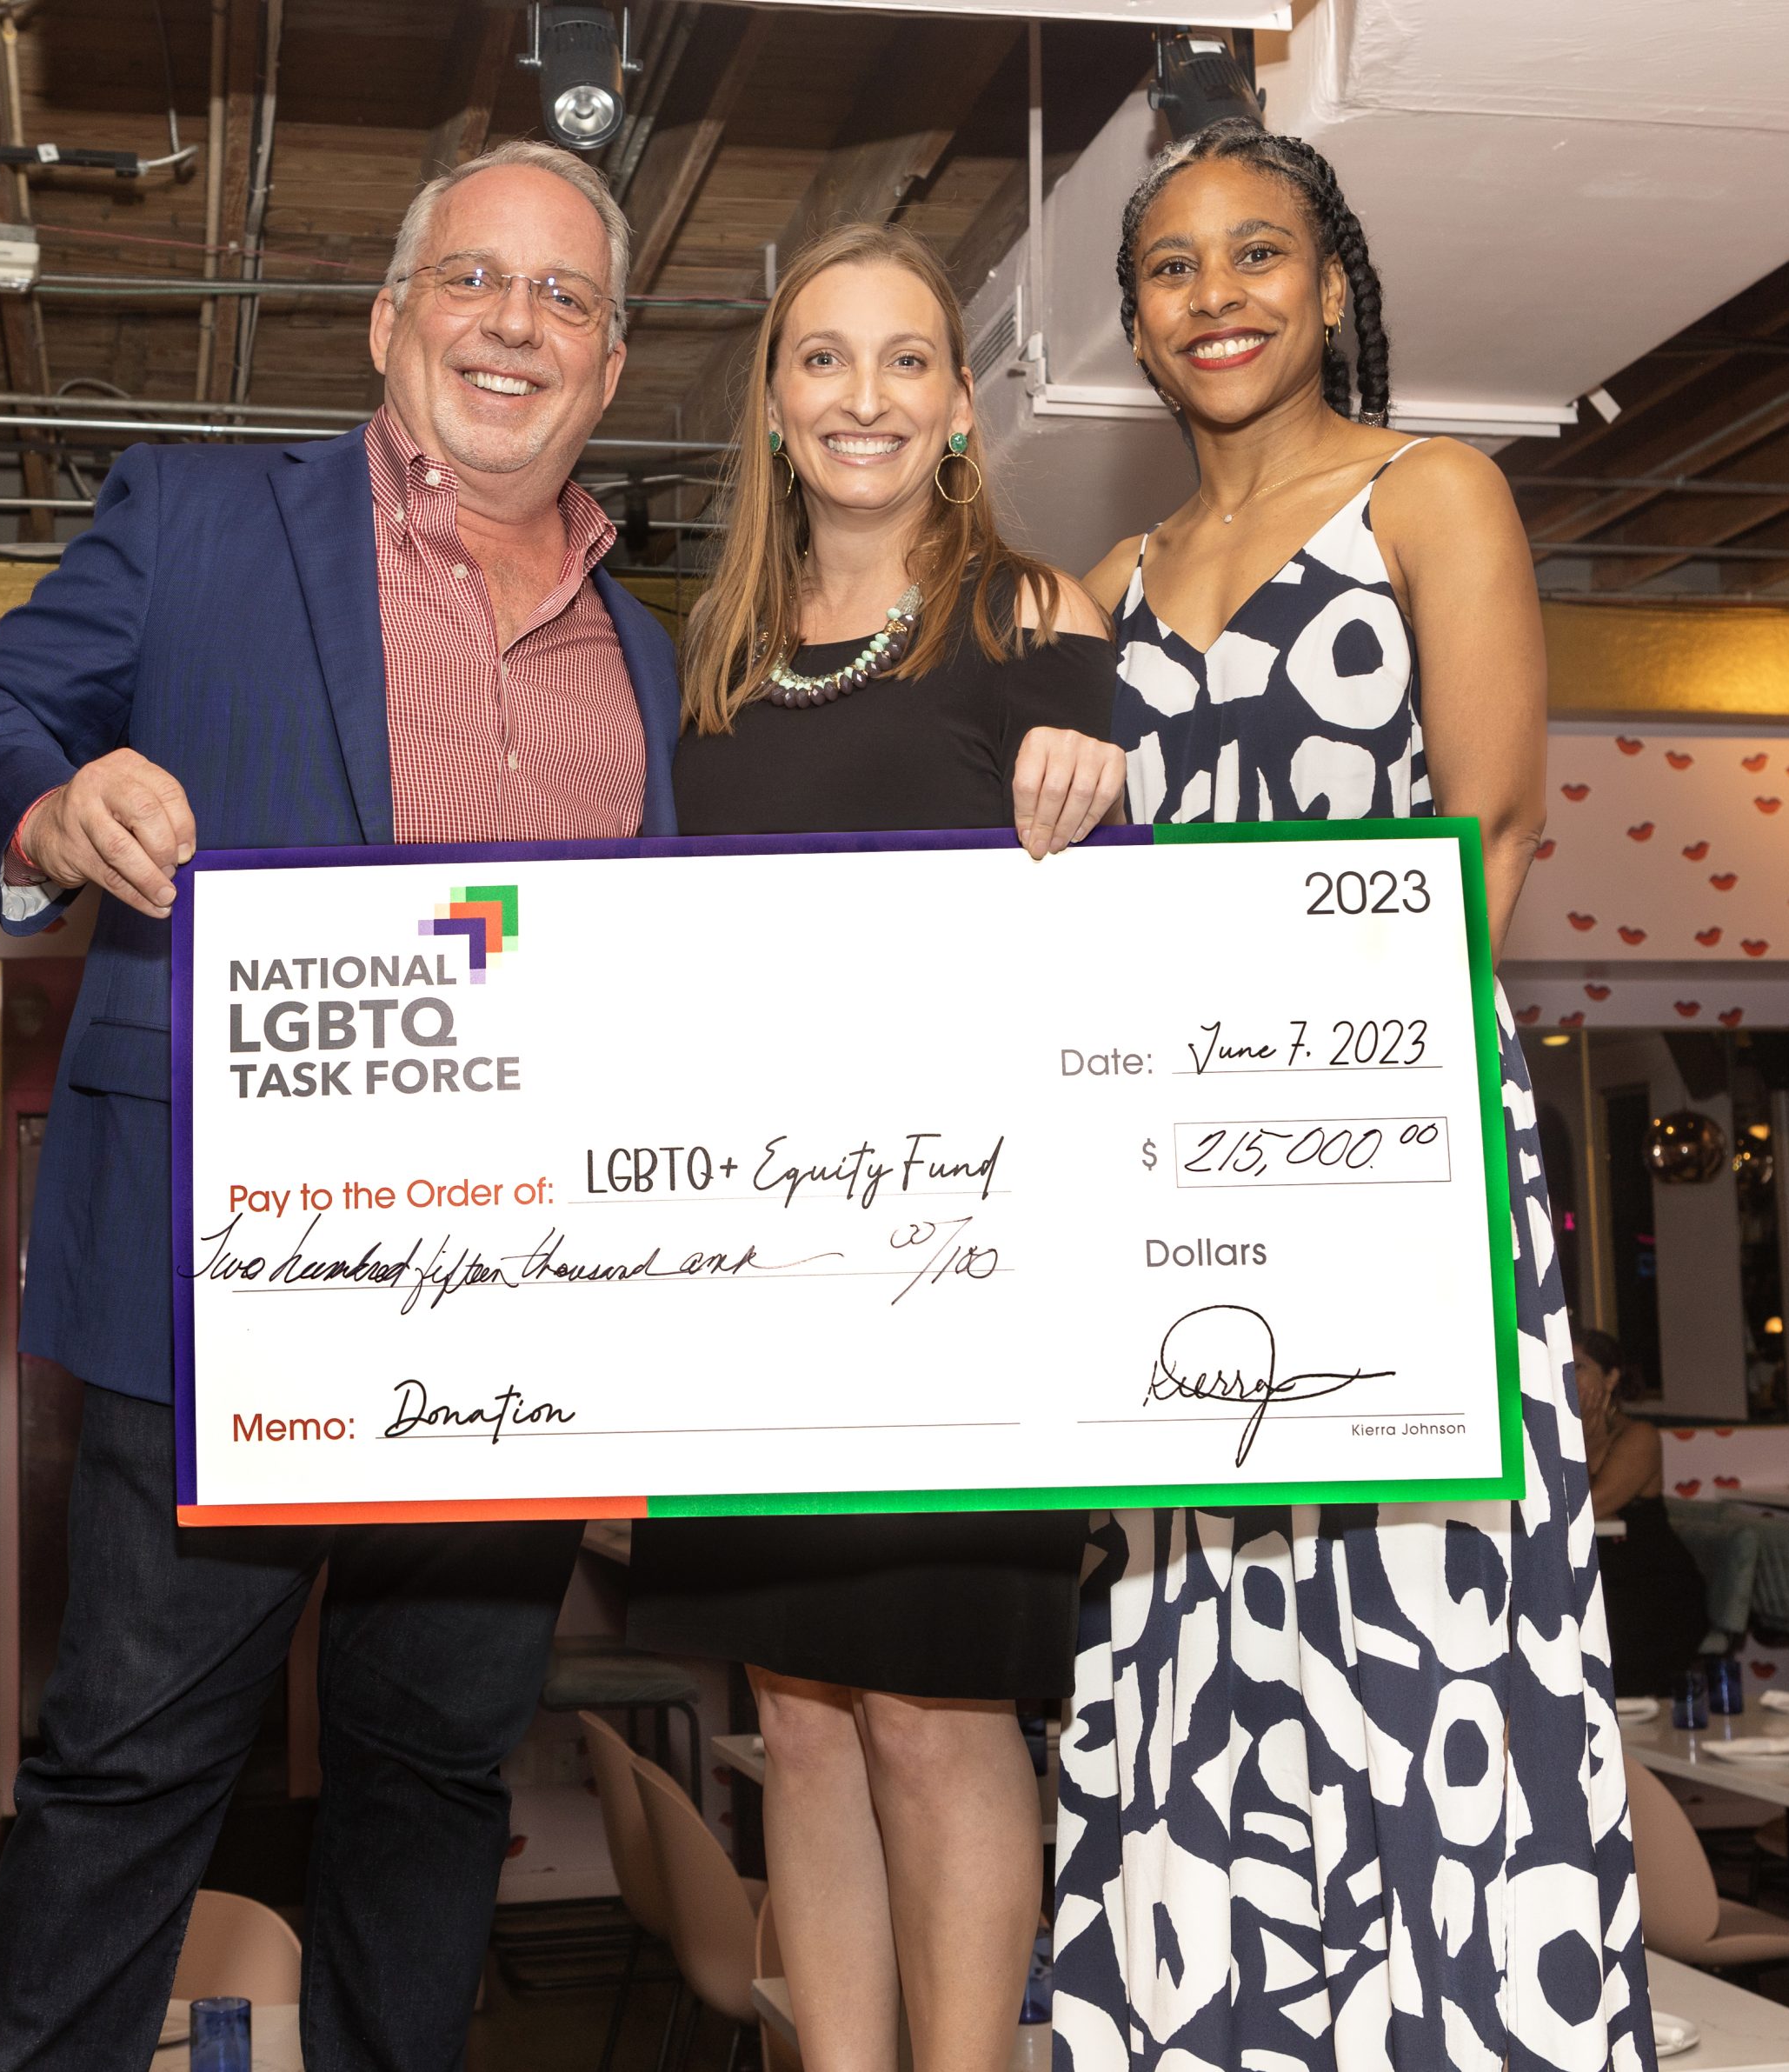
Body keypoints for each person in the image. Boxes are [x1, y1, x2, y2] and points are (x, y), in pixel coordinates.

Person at [0, 141, 681, 2072]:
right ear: (388, 319)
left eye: (563, 299)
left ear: (605, 370)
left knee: (432, 1782)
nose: (514, 323)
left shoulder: (642, 649)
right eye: (474, 282)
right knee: (133, 1763)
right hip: (225, 1275)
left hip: (517, 1311)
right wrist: (49, 807)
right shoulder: (195, 518)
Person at [1051, 123, 1654, 2070]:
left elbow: (1482, 839)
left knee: (1423, 1619)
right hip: (1171, 1192)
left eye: (1257, 256)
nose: (1215, 294)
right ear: (1133, 324)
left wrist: (1326, 1115)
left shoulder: (1429, 494)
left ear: (1328, 291)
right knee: (1186, 1609)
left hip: (1386, 1152)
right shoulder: (1096, 588)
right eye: (1170, 267)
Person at [625, 221, 1122, 2072]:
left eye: (906, 359)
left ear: (960, 407)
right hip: (749, 1269)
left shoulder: (1033, 617)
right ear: (770, 406)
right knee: (801, 1716)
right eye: (822, 359)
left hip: (961, 1274)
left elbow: (1107, 921)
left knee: (928, 1710)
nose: (864, 395)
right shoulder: (711, 658)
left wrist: (1096, 790)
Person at [1578, 1328, 1709, 1697]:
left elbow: (1587, 1507)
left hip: (1650, 1589)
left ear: (1611, 1376)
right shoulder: (1553, 1434)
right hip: (1596, 1581)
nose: (1563, 1377)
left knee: (1595, 1628)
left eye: (1577, 1367)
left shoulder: (1639, 1436)